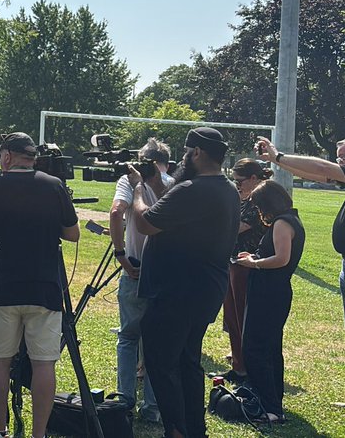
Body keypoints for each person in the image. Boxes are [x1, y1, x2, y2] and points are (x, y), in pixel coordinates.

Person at [256, 134, 345, 428]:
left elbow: (323, 169)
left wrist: (277, 157)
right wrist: (278, 162)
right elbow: (316, 173)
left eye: (342, 157)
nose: (338, 163)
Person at [127, 127, 239, 438]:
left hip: (177, 291)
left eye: (188, 152)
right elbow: (176, 211)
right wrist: (153, 184)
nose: (184, 158)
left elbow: (146, 222)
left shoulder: (192, 188)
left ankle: (175, 430)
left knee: (162, 363)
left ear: (198, 153)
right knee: (189, 361)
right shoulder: (225, 188)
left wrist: (138, 188)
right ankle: (193, 429)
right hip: (205, 290)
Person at [0, 132, 80, 438]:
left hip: (3, 285)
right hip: (45, 287)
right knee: (43, 364)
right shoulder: (53, 185)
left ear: (7, 156)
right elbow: (73, 234)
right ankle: (39, 434)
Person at [107, 137, 172, 424]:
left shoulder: (128, 181)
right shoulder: (173, 182)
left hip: (134, 267)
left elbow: (115, 212)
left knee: (128, 337)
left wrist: (120, 253)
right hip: (165, 272)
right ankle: (153, 407)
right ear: (166, 162)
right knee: (158, 342)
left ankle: (124, 401)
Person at [233, 180, 305, 423]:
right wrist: (254, 256)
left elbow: (281, 259)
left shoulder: (282, 223)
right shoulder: (290, 220)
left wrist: (253, 263)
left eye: (259, 206)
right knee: (270, 348)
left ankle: (270, 407)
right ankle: (272, 401)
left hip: (269, 292)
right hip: (273, 291)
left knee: (255, 348)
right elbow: (273, 255)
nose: (258, 212)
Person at [218, 158, 272, 384]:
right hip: (233, 262)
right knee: (231, 317)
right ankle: (238, 365)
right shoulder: (240, 200)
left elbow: (234, 228)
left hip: (248, 266)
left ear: (253, 178)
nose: (236, 184)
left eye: (239, 180)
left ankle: (246, 368)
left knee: (242, 318)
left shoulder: (258, 202)